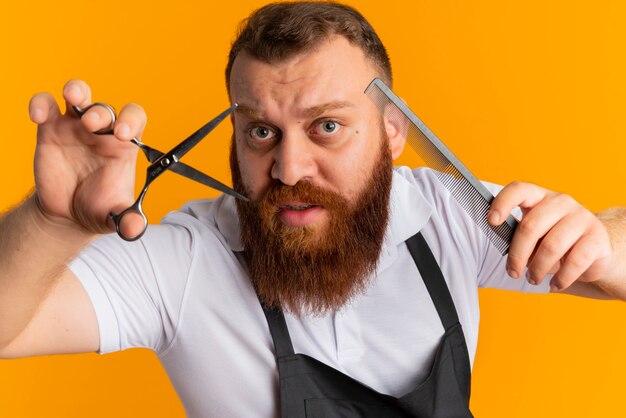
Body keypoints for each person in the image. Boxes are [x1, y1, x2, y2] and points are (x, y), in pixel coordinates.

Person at [0, 1, 625, 417]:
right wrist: (50, 223)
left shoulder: (448, 215)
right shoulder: (183, 263)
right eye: (261, 133)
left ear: (393, 133)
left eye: (326, 126)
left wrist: (594, 239)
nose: (290, 169)